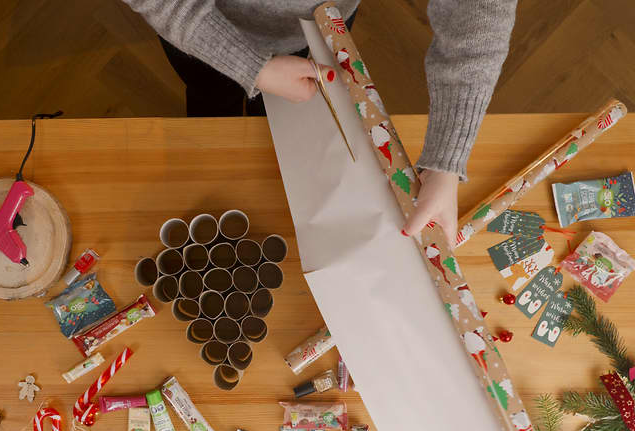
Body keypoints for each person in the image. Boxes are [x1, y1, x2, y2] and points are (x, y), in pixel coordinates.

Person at [122, 0, 518, 248]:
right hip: (202, 30)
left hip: (320, 27)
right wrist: (249, 66)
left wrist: (447, 160)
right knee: (211, 105)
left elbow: (478, 18)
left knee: (281, 130)